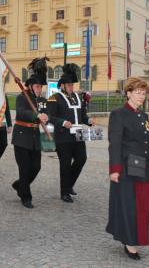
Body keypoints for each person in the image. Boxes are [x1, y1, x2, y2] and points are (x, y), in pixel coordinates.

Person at [106, 77, 149, 260]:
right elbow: (115, 143)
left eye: (143, 93)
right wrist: (114, 169)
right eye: (138, 92)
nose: (141, 96)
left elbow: (148, 143)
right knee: (129, 206)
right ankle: (129, 242)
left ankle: (135, 236)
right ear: (128, 93)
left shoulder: (143, 116)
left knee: (143, 205)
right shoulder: (119, 114)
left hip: (143, 168)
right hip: (127, 168)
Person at [47, 63, 94, 203]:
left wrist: (89, 121)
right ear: (62, 85)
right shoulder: (54, 98)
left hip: (78, 135)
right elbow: (50, 117)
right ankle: (64, 192)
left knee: (81, 159)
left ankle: (69, 185)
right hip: (63, 136)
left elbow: (83, 116)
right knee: (65, 164)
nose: (71, 87)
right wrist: (63, 122)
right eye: (68, 85)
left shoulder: (78, 97)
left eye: (72, 85)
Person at [11, 57, 49, 208]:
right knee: (25, 168)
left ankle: (19, 185)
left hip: (35, 138)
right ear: (31, 86)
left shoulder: (42, 100)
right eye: (38, 86)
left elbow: (47, 113)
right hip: (21, 137)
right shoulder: (22, 97)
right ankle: (25, 196)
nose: (40, 89)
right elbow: (20, 113)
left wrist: (46, 116)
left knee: (36, 167)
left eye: (41, 87)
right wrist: (36, 115)